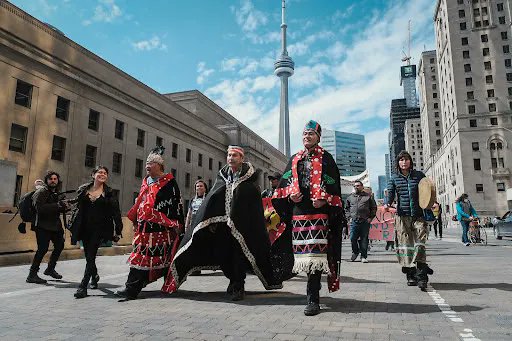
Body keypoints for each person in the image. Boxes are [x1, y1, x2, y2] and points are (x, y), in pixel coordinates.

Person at [162, 146, 283, 301]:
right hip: (222, 227)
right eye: (229, 155)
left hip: (242, 230)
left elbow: (252, 207)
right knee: (223, 254)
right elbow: (212, 201)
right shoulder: (222, 179)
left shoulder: (249, 182)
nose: (230, 158)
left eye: (234, 155)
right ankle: (233, 280)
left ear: (241, 158)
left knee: (238, 256)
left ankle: (238, 284)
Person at [272, 120, 346, 316]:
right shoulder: (295, 158)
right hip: (298, 214)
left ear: (318, 137)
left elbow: (334, 187)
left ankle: (313, 297)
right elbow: (283, 185)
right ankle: (310, 292)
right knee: (302, 257)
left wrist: (325, 200)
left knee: (315, 257)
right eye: (305, 134)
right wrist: (290, 197)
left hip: (319, 214)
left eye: (311, 134)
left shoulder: (327, 159)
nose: (307, 137)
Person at [115, 146, 184, 300]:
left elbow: (176, 205)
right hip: (143, 228)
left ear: (159, 166)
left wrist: (176, 224)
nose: (147, 165)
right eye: (146, 162)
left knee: (163, 259)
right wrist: (136, 219)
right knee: (141, 257)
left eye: (151, 162)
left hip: (161, 229)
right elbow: (141, 200)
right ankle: (132, 288)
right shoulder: (146, 181)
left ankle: (139, 286)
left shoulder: (169, 183)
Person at [68, 166, 123, 298]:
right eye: (100, 172)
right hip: (83, 227)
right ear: (93, 175)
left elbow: (116, 212)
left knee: (91, 254)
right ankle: (94, 275)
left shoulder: (109, 192)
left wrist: (118, 230)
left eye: (105, 173)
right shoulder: (83, 189)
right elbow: (76, 205)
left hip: (100, 229)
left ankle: (83, 287)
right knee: (88, 256)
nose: (102, 174)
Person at [385, 150, 433, 291]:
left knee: (420, 243)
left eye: (406, 159)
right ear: (398, 163)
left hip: (419, 215)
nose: (404, 162)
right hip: (402, 216)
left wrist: (432, 202)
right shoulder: (394, 178)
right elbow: (390, 193)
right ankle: (410, 275)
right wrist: (388, 203)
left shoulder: (419, 176)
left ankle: (422, 275)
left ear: (410, 161)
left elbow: (427, 191)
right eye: (401, 160)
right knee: (406, 246)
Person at [26, 171, 69, 284]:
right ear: (47, 180)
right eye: (51, 179)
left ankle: (50, 269)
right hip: (42, 225)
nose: (53, 181)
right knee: (42, 249)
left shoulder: (58, 193)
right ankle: (32, 274)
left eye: (55, 179)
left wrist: (65, 206)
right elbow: (38, 208)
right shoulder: (42, 191)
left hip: (55, 225)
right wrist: (57, 205)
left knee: (60, 245)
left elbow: (60, 207)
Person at [346, 181, 377, 263]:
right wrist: (349, 217)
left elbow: (374, 208)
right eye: (355, 186)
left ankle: (363, 256)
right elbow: (347, 209)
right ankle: (355, 252)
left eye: (358, 186)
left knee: (364, 239)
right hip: (354, 222)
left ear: (362, 187)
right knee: (353, 238)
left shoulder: (368, 197)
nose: (356, 187)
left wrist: (370, 218)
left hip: (365, 221)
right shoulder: (350, 197)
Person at [184, 179, 208, 275]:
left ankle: (201, 265)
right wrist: (186, 227)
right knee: (192, 246)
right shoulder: (192, 200)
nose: (199, 188)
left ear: (205, 188)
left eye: (201, 186)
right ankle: (194, 268)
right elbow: (189, 214)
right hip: (193, 225)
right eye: (197, 186)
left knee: (201, 247)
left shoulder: (207, 199)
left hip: (203, 225)